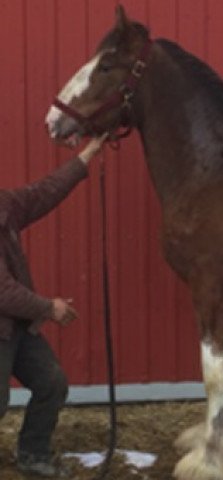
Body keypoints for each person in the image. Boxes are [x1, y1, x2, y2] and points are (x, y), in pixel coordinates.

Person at [0, 134, 108, 477]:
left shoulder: (5, 206)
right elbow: (3, 292)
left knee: (51, 382)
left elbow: (44, 193)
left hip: (16, 325)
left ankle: (32, 454)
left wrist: (86, 157)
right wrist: (50, 308)